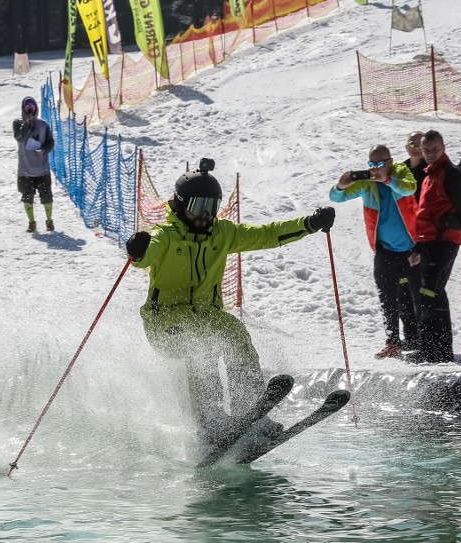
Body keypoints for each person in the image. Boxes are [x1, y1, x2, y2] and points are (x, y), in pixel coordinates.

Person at [125, 158, 336, 444]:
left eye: (211, 207)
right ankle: (210, 421)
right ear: (181, 205)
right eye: (198, 207)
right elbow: (147, 255)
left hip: (205, 315)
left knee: (235, 333)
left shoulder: (223, 234)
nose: (205, 215)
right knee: (202, 343)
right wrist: (139, 250)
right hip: (165, 322)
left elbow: (267, 234)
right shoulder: (168, 236)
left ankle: (249, 410)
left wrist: (309, 224)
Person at [329, 144, 420, 359]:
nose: (375, 168)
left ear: (390, 161)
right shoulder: (368, 183)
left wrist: (387, 179)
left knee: (417, 298)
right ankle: (393, 342)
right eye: (371, 164)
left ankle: (422, 340)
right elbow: (336, 198)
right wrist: (341, 186)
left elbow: (409, 188)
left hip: (412, 248)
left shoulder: (399, 171)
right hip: (385, 250)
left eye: (380, 163)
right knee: (387, 298)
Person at [407, 130, 461, 364]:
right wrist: (417, 246)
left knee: (429, 292)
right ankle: (438, 350)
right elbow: (425, 214)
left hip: (444, 241)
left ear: (443, 147)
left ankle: (433, 350)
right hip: (428, 242)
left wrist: (459, 233)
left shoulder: (450, 173)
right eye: (427, 150)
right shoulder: (427, 175)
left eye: (435, 149)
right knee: (434, 293)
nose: (431, 154)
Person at [397, 130, 428, 346]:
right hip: (400, 238)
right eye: (412, 143)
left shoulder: (431, 171)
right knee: (401, 289)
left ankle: (424, 336)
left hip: (422, 238)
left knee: (420, 290)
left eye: (419, 143)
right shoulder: (400, 171)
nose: (415, 146)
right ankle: (410, 336)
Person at [13, 96, 55, 232]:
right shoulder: (17, 123)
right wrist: (27, 123)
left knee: (47, 196)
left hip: (42, 169)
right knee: (27, 197)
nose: (29, 110)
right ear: (23, 109)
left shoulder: (43, 125)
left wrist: (45, 149)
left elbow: (50, 141)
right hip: (25, 170)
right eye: (27, 107)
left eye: (32, 107)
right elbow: (19, 137)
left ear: (36, 108)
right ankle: (31, 222)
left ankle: (49, 219)